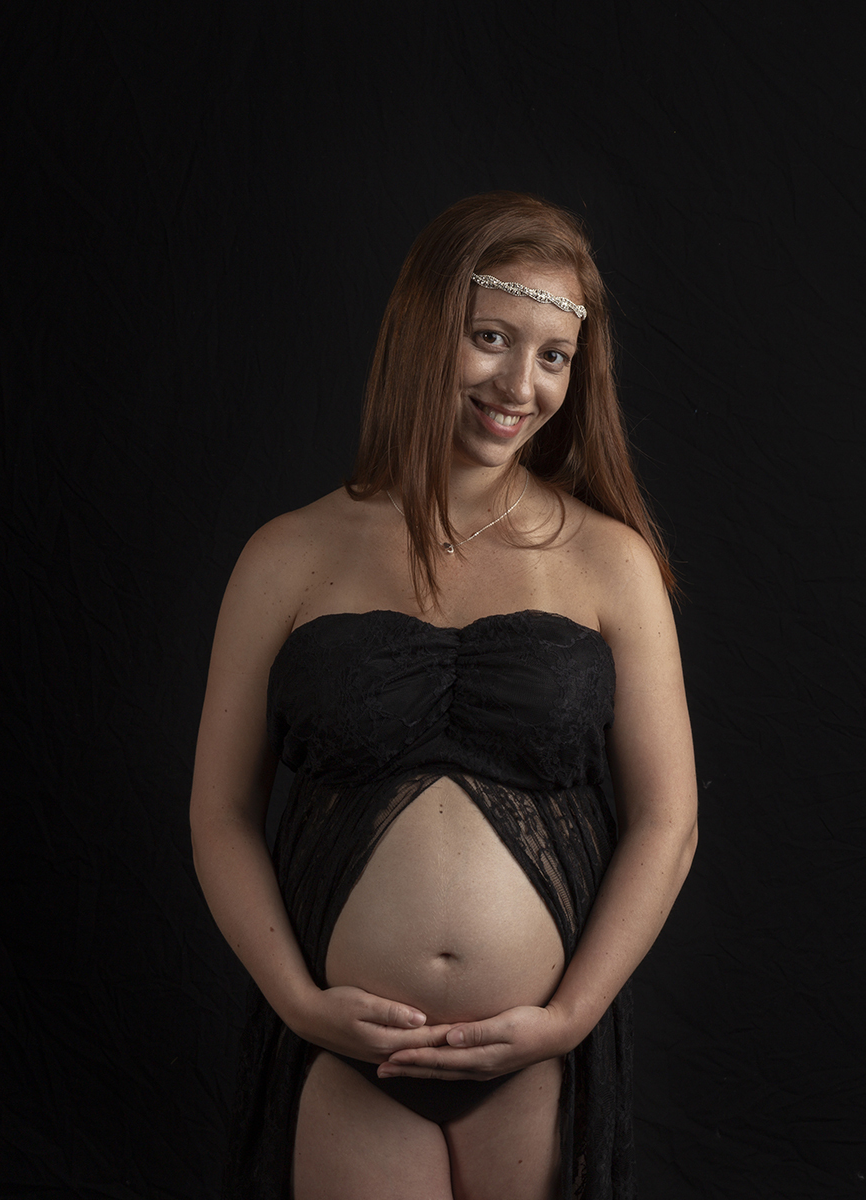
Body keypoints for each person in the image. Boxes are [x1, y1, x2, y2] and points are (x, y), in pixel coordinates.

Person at [189, 191, 698, 1200]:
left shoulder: (610, 561)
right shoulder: (283, 556)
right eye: (491, 338)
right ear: (424, 332)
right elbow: (220, 813)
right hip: (349, 1057)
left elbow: (667, 822)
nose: (519, 384)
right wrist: (295, 1002)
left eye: (553, 355)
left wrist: (569, 1018)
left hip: (534, 1059)